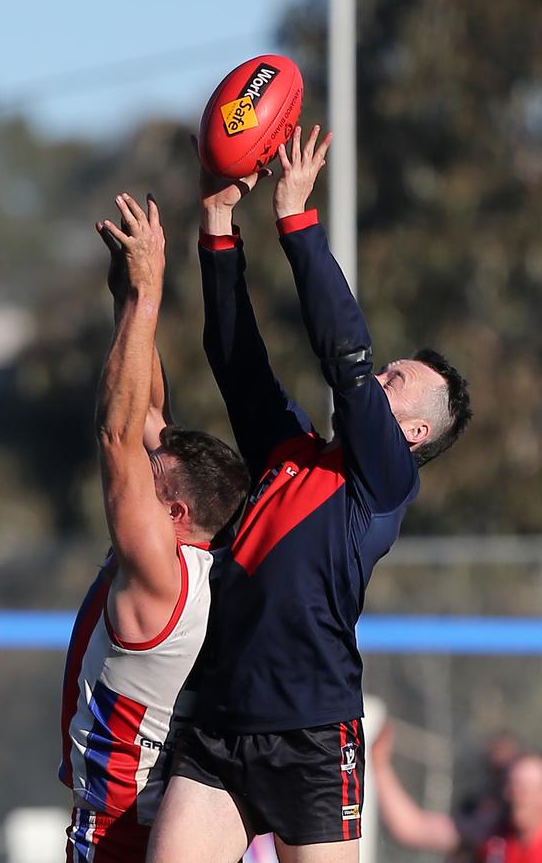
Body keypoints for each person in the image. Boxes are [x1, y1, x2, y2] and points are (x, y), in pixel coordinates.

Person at [148, 125, 472, 863]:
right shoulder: (292, 454)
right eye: (387, 371)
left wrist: (297, 218)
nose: (378, 380)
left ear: (414, 429)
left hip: (313, 737)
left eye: (398, 383)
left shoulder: (388, 480)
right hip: (222, 724)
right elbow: (236, 359)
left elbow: (347, 361)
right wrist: (219, 222)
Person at [58, 193, 250, 862]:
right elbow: (145, 415)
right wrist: (127, 302)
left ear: (175, 514)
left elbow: (115, 430)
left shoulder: (158, 575)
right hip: (180, 824)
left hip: (121, 832)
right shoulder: (209, 556)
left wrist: (149, 290)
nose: (142, 470)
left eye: (153, 476)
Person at [371, 723, 542, 863]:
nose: (517, 796)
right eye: (512, 786)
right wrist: (380, 766)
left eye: (528, 789)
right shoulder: (491, 830)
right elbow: (413, 827)